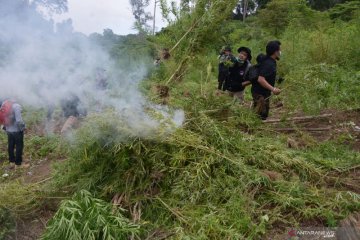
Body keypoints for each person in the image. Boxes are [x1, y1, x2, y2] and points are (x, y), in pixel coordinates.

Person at [251, 41, 282, 120]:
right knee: (260, 115)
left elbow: (268, 74)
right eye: (279, 50)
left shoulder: (269, 61)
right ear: (275, 52)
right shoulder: (269, 63)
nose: (280, 52)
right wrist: (273, 89)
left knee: (260, 113)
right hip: (260, 93)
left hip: (262, 92)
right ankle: (252, 129)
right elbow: (261, 79)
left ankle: (253, 128)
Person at [0, 99, 29, 169]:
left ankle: (11, 162)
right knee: (19, 146)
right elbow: (19, 120)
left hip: (8, 129)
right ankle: (18, 164)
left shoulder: (5, 103)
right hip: (17, 130)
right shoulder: (16, 106)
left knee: (11, 145)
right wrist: (24, 127)